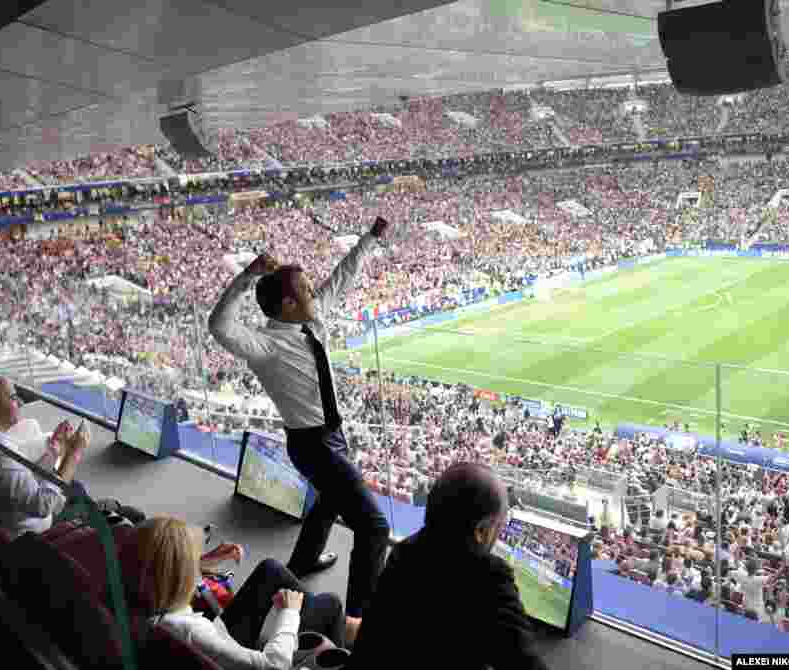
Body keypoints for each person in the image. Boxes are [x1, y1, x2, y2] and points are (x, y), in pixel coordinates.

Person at [208, 215, 392, 619]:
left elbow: (341, 278)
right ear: (288, 304)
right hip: (311, 444)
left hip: (331, 436)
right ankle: (361, 621)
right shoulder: (265, 345)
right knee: (374, 527)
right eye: (307, 290)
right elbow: (219, 325)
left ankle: (304, 561)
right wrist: (247, 277)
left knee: (330, 501)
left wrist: (370, 240)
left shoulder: (311, 320)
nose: (316, 292)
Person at [348, 462, 550, 670]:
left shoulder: (404, 551)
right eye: (499, 525)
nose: (499, 533)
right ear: (481, 530)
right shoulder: (490, 576)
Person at [138, 517, 356, 670]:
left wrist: (208, 561)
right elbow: (273, 666)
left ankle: (339, 626)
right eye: (191, 559)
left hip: (218, 633)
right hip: (231, 649)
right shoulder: (190, 632)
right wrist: (290, 613)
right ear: (177, 576)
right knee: (331, 604)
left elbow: (164, 570)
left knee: (270, 569)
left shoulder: (146, 594)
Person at [0, 375, 142, 537]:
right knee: (133, 515)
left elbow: (22, 481)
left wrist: (53, 450)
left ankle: (102, 510)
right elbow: (44, 505)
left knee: (79, 490)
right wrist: (74, 453)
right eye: (14, 397)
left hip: (9, 520)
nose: (20, 402)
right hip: (36, 535)